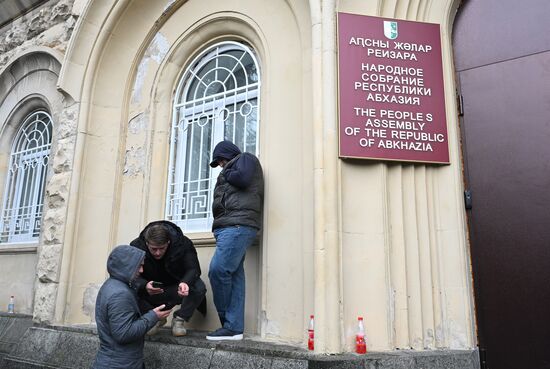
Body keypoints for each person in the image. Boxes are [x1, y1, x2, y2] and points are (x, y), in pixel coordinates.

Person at [206, 140, 264, 341]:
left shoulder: (245, 159)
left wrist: (226, 173)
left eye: (221, 160)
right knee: (235, 276)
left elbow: (243, 179)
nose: (220, 165)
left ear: (228, 154)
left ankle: (228, 323)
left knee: (218, 270)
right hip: (228, 228)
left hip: (238, 226)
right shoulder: (229, 170)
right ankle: (235, 328)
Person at [92, 245, 171, 369]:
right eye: (138, 266)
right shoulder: (120, 293)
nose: (141, 270)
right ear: (126, 266)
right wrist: (153, 316)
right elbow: (124, 334)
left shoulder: (112, 284)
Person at [130, 220, 207, 336]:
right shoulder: (135, 246)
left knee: (198, 286)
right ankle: (153, 318)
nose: (157, 253)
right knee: (128, 287)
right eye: (153, 249)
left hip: (175, 288)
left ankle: (179, 319)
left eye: (162, 248)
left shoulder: (183, 243)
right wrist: (144, 285)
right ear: (146, 243)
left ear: (168, 242)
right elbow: (129, 274)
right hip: (150, 290)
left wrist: (185, 283)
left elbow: (193, 269)